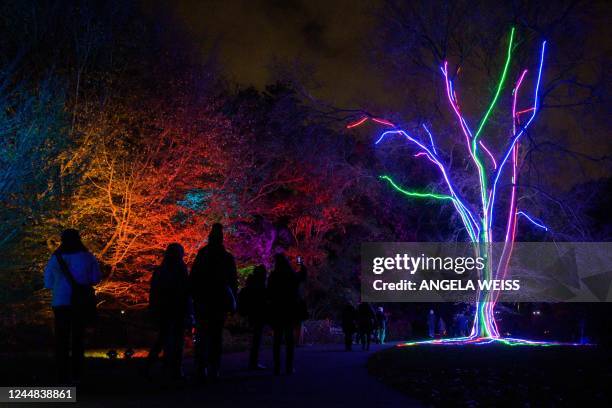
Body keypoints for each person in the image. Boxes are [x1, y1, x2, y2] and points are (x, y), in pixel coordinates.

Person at [44, 229, 101, 383]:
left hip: (60, 301)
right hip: (80, 303)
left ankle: (61, 373)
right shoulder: (88, 257)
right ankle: (77, 373)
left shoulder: (55, 258)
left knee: (61, 338)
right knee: (78, 337)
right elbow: (96, 278)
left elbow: (48, 283)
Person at [190, 223, 238, 381]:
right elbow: (232, 281)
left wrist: (193, 297)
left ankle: (201, 366)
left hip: (203, 300)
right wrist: (232, 302)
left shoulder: (203, 254)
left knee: (202, 334)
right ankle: (214, 367)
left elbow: (193, 278)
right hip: (218, 301)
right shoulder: (226, 257)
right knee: (215, 336)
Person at [146, 243, 190, 379]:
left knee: (163, 338)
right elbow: (186, 291)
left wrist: (153, 309)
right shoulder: (181, 270)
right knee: (177, 340)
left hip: (164, 309)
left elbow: (154, 293)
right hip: (177, 309)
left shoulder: (160, 271)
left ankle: (152, 366)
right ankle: (176, 369)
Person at [267, 253, 307, 375]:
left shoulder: (273, 276)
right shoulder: (291, 275)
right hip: (290, 309)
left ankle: (277, 367)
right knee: (289, 338)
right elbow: (302, 277)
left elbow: (269, 292)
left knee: (277, 339)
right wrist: (301, 264)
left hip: (277, 309)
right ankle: (289, 367)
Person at [238, 265, 268, 370]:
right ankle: (253, 362)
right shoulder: (261, 287)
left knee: (255, 337)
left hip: (251, 313)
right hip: (258, 314)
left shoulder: (250, 285)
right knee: (257, 337)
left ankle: (253, 361)